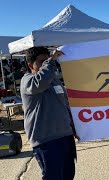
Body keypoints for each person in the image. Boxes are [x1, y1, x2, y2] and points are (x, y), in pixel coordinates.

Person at [21, 47, 78, 180]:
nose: (46, 63)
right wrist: (51, 61)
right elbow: (39, 83)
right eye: (42, 61)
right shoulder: (28, 80)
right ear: (30, 65)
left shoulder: (54, 80)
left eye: (47, 60)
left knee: (68, 175)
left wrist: (74, 127)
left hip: (65, 137)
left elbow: (64, 105)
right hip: (46, 140)